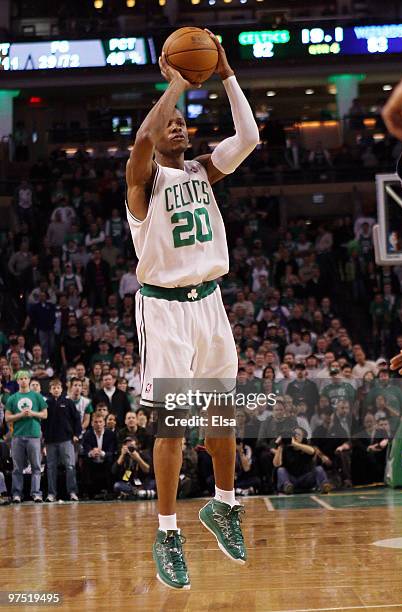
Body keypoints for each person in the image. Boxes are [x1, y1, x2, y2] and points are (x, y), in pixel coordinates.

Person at [125, 31, 259, 589]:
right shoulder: (142, 183)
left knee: (222, 413)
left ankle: (224, 505)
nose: (178, 124)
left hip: (210, 303)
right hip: (165, 311)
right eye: (170, 122)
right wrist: (177, 82)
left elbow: (249, 136)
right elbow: (140, 139)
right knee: (174, 426)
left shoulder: (203, 171)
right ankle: (167, 533)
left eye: (183, 120)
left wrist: (225, 72)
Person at [4, 370, 48, 503]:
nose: (23, 380)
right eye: (20, 378)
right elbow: (7, 418)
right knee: (17, 467)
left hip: (34, 435)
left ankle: (36, 493)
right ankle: (17, 494)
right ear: (17, 381)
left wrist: (33, 413)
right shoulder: (12, 398)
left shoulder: (37, 396)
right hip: (17, 436)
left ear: (29, 380)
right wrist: (21, 415)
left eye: (25, 378)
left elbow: (45, 414)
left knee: (36, 466)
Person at [42, 379, 81, 502]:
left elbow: (77, 419)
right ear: (50, 390)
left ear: (62, 389)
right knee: (51, 468)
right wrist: (43, 437)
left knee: (70, 466)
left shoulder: (68, 402)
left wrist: (76, 434)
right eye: (53, 388)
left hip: (66, 439)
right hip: (50, 441)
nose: (56, 390)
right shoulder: (46, 403)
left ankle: (72, 492)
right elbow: (43, 422)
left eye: (58, 387)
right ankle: (51, 494)